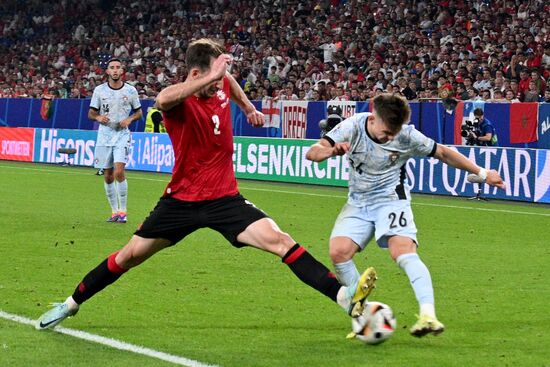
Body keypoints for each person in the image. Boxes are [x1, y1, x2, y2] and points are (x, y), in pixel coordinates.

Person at [36, 39, 376, 332]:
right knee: (129, 256)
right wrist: (211, 77)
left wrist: (247, 106)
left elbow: (229, 83)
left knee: (281, 241)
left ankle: (344, 298)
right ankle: (70, 303)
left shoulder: (221, 82)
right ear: (197, 73)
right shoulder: (180, 101)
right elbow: (163, 99)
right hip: (180, 201)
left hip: (224, 199)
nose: (220, 85)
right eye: (214, 78)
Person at [306, 94, 506, 337]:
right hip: (357, 203)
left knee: (401, 251)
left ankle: (428, 315)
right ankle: (365, 315)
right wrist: (330, 152)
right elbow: (314, 152)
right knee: (338, 252)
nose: (391, 137)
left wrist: (483, 173)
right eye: (387, 132)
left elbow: (442, 152)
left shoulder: (407, 135)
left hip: (391, 200)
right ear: (373, 118)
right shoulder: (352, 126)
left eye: (394, 132)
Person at [88, 58, 143, 223]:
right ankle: (114, 212)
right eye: (112, 68)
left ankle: (123, 211)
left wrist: (130, 119)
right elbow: (91, 113)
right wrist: (98, 117)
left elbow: (139, 112)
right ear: (107, 71)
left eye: (118, 67)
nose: (115, 70)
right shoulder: (99, 90)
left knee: (119, 171)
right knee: (108, 175)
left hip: (122, 135)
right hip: (104, 135)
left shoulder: (131, 91)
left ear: (122, 71)